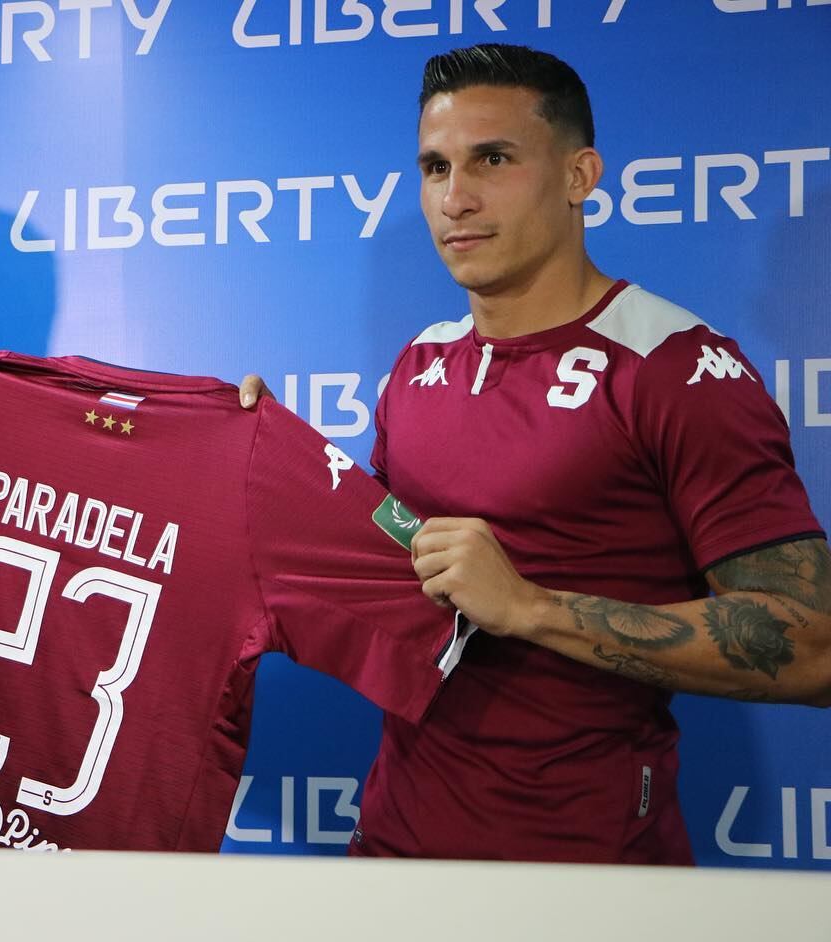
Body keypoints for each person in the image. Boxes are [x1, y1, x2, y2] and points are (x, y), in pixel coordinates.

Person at [241, 44, 830, 863]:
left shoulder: (676, 367)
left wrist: (532, 607)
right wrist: (262, 463)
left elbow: (810, 644)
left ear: (579, 176)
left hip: (588, 878)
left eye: (492, 159)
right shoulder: (420, 366)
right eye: (435, 167)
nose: (456, 198)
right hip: (391, 859)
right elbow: (378, 582)